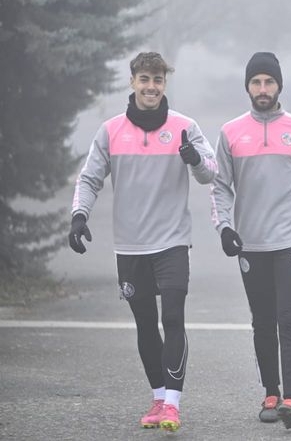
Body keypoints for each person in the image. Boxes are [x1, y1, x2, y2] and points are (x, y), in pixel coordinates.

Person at [68, 52, 217, 432]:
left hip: (172, 243)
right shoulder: (111, 130)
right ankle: (157, 395)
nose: (152, 87)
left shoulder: (185, 127)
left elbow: (210, 173)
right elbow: (89, 178)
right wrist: (79, 215)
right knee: (146, 324)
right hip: (131, 246)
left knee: (172, 317)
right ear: (133, 81)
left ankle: (173, 404)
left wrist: (194, 158)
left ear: (165, 84)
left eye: (158, 80)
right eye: (145, 79)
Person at [210, 52, 291, 430]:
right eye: (256, 82)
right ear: (248, 87)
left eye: (269, 82)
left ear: (279, 86)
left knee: (288, 318)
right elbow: (220, 186)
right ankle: (270, 391)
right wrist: (224, 228)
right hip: (250, 244)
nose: (262, 89)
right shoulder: (231, 132)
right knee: (262, 321)